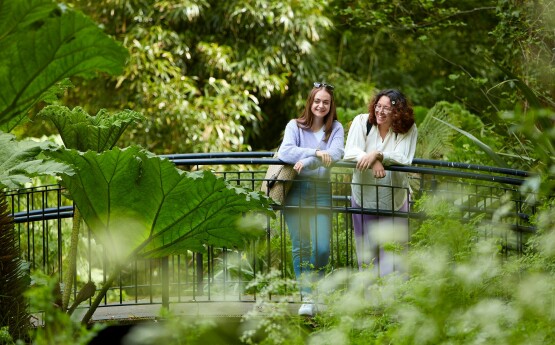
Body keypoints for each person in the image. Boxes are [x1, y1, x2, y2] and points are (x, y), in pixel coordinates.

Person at [277, 82, 344, 316]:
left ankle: (317, 290)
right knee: (301, 246)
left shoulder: (335, 128)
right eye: (317, 101)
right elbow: (285, 152)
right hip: (295, 188)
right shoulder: (294, 126)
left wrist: (306, 161)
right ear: (310, 102)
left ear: (330, 105)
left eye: (325, 102)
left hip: (321, 191)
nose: (321, 105)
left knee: (322, 247)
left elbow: (335, 154)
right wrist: (315, 153)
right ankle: (308, 298)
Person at [343, 89, 417, 277]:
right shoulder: (362, 122)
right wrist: (372, 159)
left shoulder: (407, 128)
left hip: (395, 198)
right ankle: (369, 303)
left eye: (387, 108)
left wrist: (380, 154)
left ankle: (394, 302)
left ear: (398, 112)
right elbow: (350, 151)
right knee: (366, 254)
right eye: (378, 106)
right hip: (363, 196)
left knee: (394, 254)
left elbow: (404, 157)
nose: (380, 112)